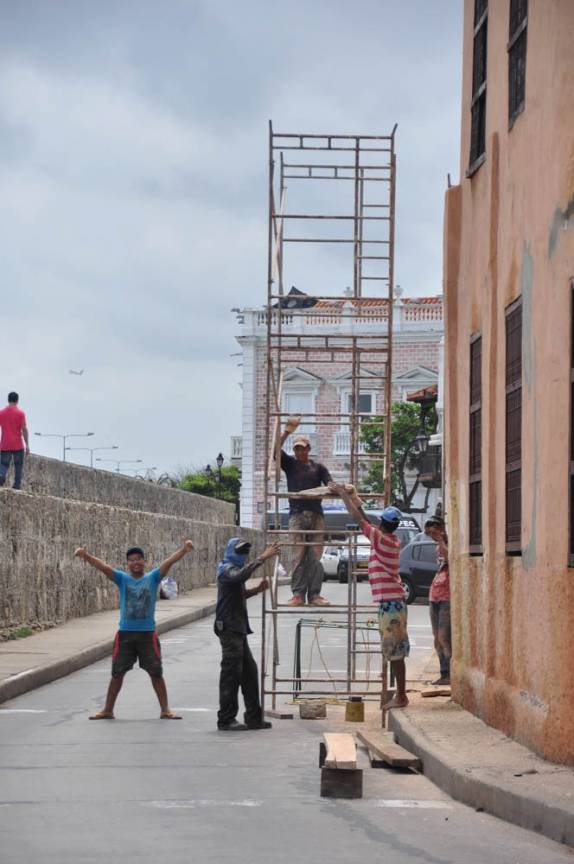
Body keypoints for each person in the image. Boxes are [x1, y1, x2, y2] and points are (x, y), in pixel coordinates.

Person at [74, 540, 194, 719]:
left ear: (145, 561)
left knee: (156, 673)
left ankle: (165, 710)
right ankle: (108, 709)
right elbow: (104, 567)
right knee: (117, 674)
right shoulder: (122, 579)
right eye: (131, 560)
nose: (135, 562)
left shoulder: (153, 578)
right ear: (127, 563)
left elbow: (169, 562)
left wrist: (184, 549)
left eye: (139, 559)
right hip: (125, 635)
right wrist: (85, 556)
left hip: (147, 635)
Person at [329, 481, 409, 710]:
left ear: (383, 524)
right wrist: (355, 499)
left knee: (395, 651)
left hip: (391, 604)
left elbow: (359, 520)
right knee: (394, 650)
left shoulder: (382, 540)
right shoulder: (390, 538)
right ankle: (400, 694)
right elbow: (367, 519)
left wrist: (344, 495)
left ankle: (401, 696)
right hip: (392, 603)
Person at [215, 538, 280, 731]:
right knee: (231, 674)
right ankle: (226, 719)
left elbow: (238, 593)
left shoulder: (233, 569)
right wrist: (262, 558)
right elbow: (238, 577)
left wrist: (257, 590)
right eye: (240, 551)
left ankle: (253, 717)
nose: (243, 555)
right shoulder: (226, 569)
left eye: (245, 552)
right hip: (229, 628)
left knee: (249, 674)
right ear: (230, 551)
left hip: (238, 628)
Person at [275, 416, 332, 606]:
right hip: (297, 514)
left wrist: (340, 488)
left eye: (302, 448)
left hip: (316, 514)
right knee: (298, 555)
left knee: (315, 556)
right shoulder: (290, 465)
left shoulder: (318, 468)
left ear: (308, 449)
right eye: (296, 448)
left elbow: (329, 484)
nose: (299, 451)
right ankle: (298, 594)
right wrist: (286, 432)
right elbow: (275, 450)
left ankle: (314, 595)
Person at [424, 516, 451, 686]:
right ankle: (443, 673)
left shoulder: (449, 545)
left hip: (447, 597)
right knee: (436, 637)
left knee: (444, 636)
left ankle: (450, 673)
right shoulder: (437, 549)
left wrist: (442, 539)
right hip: (435, 595)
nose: (433, 535)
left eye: (435, 531)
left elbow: (450, 559)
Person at [0, 392, 30, 490]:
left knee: (4, 463)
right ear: (17, 400)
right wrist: (27, 445)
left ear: (8, 400)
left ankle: (2, 474)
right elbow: (24, 429)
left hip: (5, 443)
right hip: (17, 444)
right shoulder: (20, 413)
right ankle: (16, 486)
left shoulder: (2, 413)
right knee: (18, 465)